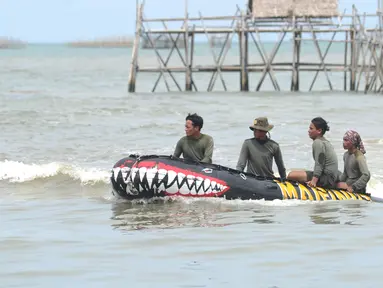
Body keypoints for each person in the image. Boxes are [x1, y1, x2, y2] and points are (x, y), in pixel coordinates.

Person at [287, 117, 338, 188]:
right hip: (331, 178)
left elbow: (320, 163)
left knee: (291, 175)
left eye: (311, 129)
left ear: (319, 131)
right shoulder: (326, 142)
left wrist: (314, 181)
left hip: (326, 179)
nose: (308, 131)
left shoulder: (318, 142)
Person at [337, 130, 370, 194]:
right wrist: (337, 181)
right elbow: (345, 173)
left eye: (346, 140)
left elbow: (366, 175)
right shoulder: (346, 155)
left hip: (357, 188)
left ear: (353, 142)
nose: (343, 142)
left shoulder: (359, 156)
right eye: (343, 140)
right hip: (348, 182)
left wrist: (353, 187)